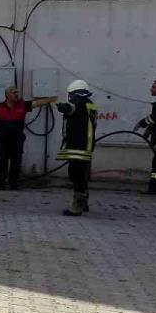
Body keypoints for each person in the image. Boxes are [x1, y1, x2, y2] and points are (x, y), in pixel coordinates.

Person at [0, 85, 57, 190]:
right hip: (2, 139)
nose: (17, 94)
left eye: (17, 92)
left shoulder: (23, 105)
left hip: (17, 139)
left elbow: (37, 104)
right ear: (7, 95)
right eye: (14, 92)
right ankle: (0, 184)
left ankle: (13, 184)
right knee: (1, 162)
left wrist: (49, 99)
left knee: (16, 162)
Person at [55, 80, 98, 216]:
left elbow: (70, 107)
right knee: (82, 174)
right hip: (87, 146)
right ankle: (84, 203)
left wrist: (62, 106)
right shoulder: (90, 104)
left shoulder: (77, 101)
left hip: (77, 146)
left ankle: (77, 207)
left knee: (76, 174)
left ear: (72, 92)